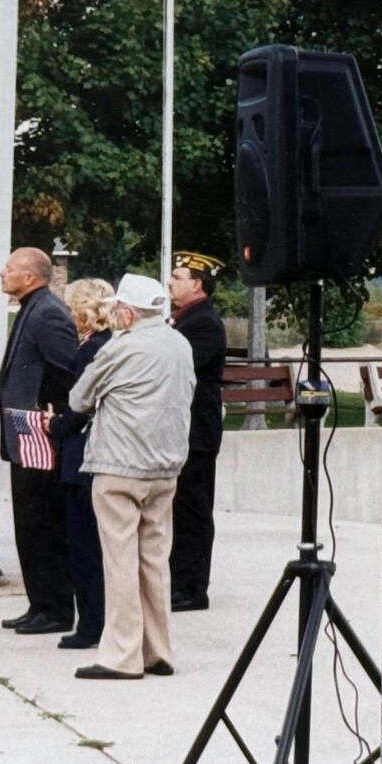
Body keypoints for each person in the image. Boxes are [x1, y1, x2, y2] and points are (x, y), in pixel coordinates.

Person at [66, 273, 195, 680]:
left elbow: (79, 398)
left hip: (120, 464)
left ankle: (122, 655)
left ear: (127, 312)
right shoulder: (180, 344)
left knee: (120, 561)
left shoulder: (121, 347)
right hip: (166, 466)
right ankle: (158, 650)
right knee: (154, 561)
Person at [0, 247, 78, 635]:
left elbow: (66, 370)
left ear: (30, 277)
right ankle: (39, 603)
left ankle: (56, 609)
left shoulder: (47, 313)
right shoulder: (33, 308)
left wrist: (50, 416)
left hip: (41, 438)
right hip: (24, 436)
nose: (2, 273)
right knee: (29, 525)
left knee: (44, 524)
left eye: (9, 268)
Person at [50, 278, 117, 650]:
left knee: (84, 544)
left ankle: (90, 623)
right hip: (98, 450)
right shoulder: (110, 343)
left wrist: (55, 425)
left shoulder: (91, 348)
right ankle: (98, 619)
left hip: (83, 452)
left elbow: (81, 405)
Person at [166, 251, 226, 613]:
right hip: (182, 428)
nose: (170, 283)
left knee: (193, 509)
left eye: (177, 277)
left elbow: (183, 365)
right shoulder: (183, 318)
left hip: (196, 431)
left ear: (197, 284)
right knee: (180, 508)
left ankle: (191, 588)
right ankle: (178, 582)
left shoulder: (203, 322)